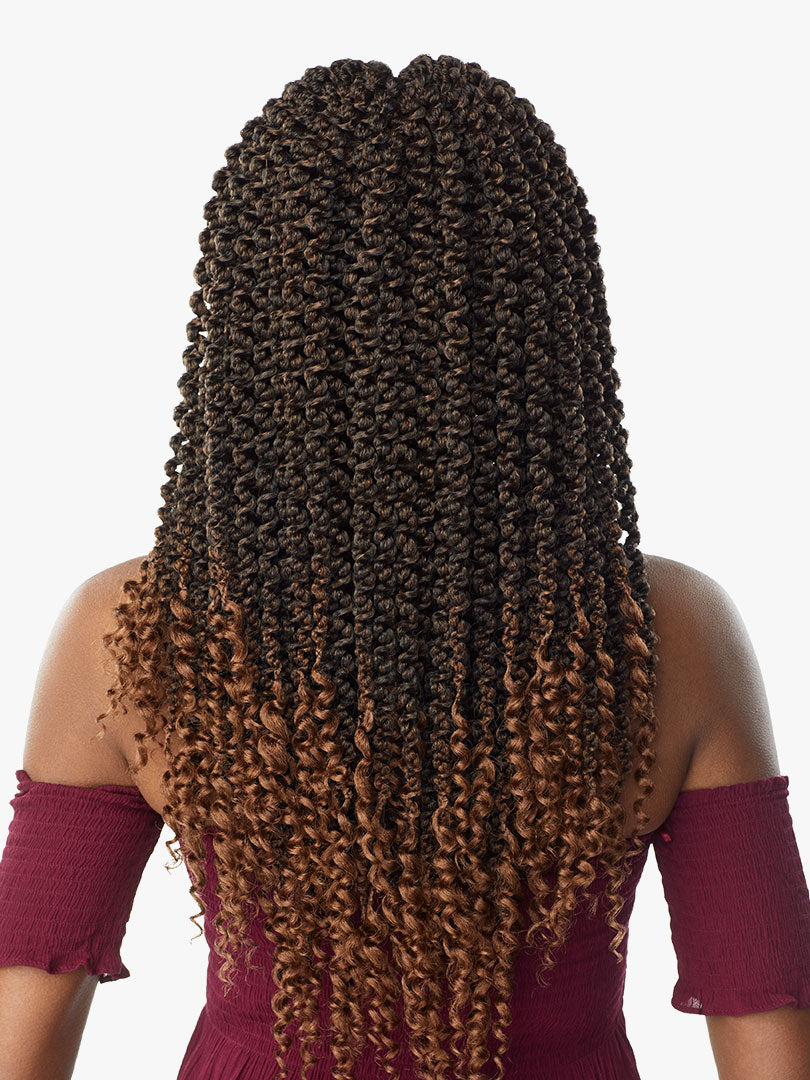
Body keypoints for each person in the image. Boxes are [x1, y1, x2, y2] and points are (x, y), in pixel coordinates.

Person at [1, 53, 809, 1080]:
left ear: (254, 331)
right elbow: (770, 1034)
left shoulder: (142, 629)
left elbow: (19, 1033)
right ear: (544, 328)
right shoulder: (665, 634)